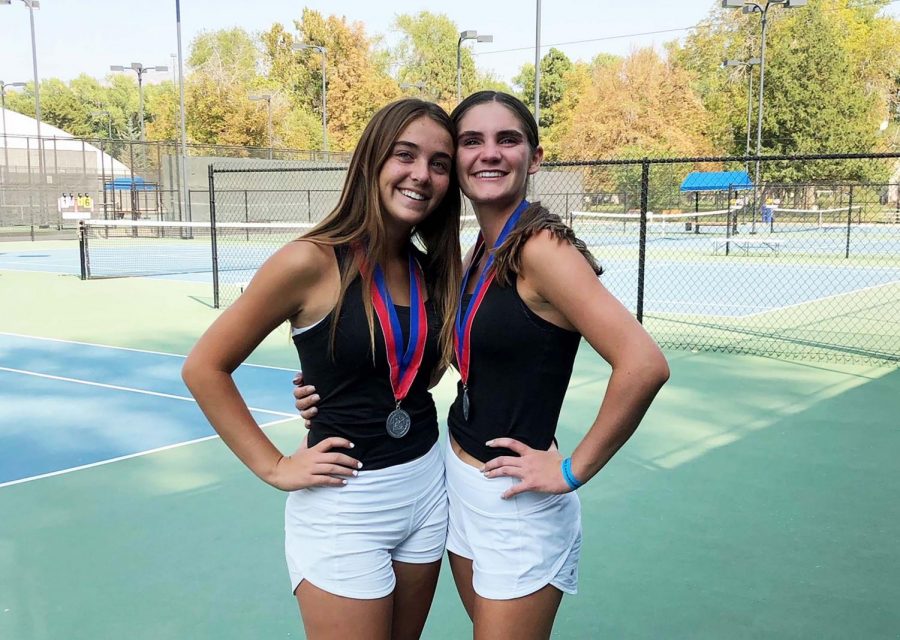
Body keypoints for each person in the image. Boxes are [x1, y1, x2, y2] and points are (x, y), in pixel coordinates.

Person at [295, 91, 670, 639]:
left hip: (517, 500)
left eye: (507, 140)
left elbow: (644, 363)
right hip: (458, 486)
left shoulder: (542, 247)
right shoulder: (479, 252)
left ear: (534, 158)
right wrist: (329, 389)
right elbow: (432, 362)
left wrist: (571, 470)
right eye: (472, 141)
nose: (489, 154)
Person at [182, 98, 462, 640]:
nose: (421, 175)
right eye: (405, 155)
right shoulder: (308, 260)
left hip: (428, 489)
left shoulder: (430, 268)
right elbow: (205, 367)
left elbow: (417, 376)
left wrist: (334, 385)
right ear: (373, 161)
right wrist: (274, 467)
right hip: (344, 504)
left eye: (439, 163)